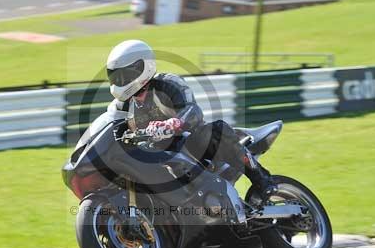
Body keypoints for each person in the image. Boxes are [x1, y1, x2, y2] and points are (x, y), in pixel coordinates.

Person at [105, 39, 277, 199]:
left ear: (142, 66)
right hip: (154, 155)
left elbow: (192, 110)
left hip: (192, 147)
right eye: (116, 77)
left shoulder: (168, 83)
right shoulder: (119, 107)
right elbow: (109, 130)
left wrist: (173, 123)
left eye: (125, 75)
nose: (121, 81)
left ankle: (262, 179)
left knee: (218, 129)